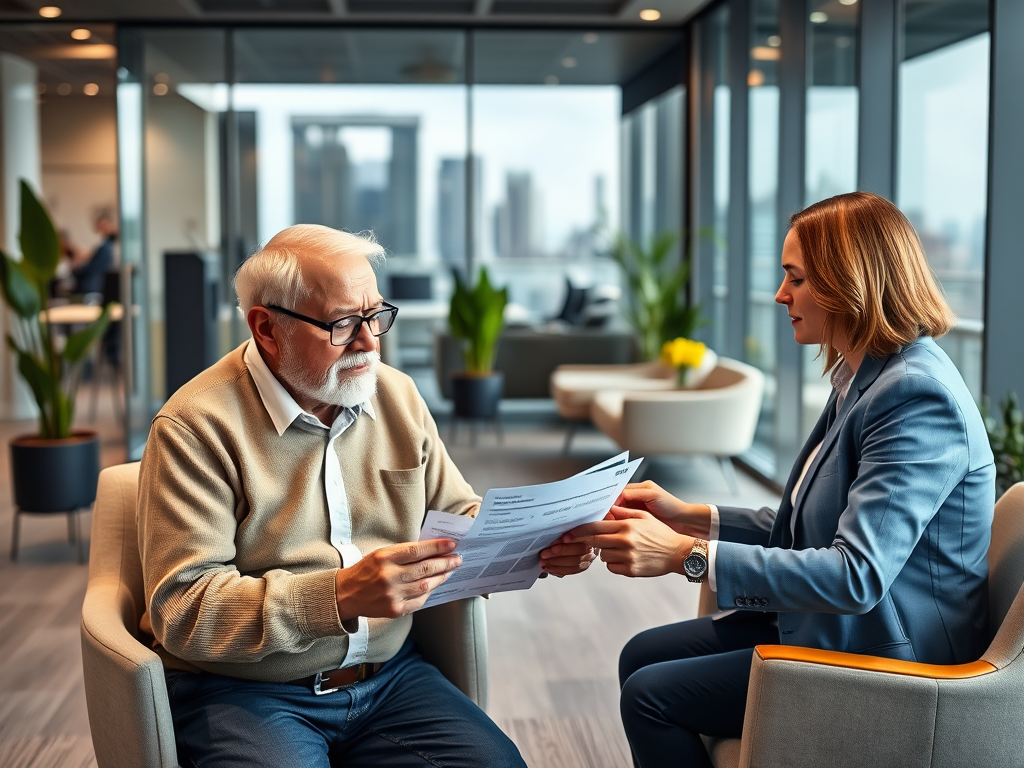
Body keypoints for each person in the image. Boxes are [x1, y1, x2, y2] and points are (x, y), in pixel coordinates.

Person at [540, 192, 996, 767]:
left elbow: (856, 575)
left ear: (848, 283)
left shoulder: (915, 396)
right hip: (845, 624)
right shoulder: (866, 375)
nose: (781, 295)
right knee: (640, 655)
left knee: (650, 697)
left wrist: (689, 555)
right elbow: (815, 522)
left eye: (796, 278)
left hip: (895, 656)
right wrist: (690, 515)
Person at [137, 224, 537, 768]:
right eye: (344, 323)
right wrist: (340, 595)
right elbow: (183, 610)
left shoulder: (397, 395)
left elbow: (456, 514)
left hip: (390, 677)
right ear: (267, 329)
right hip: (246, 690)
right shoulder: (194, 426)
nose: (371, 342)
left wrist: (535, 539)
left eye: (376, 316)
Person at [72, 211, 116, 296]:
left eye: (104, 225)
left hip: (93, 286)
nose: (102, 228)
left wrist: (77, 268)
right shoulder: (103, 245)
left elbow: (93, 267)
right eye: (100, 226)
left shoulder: (106, 247)